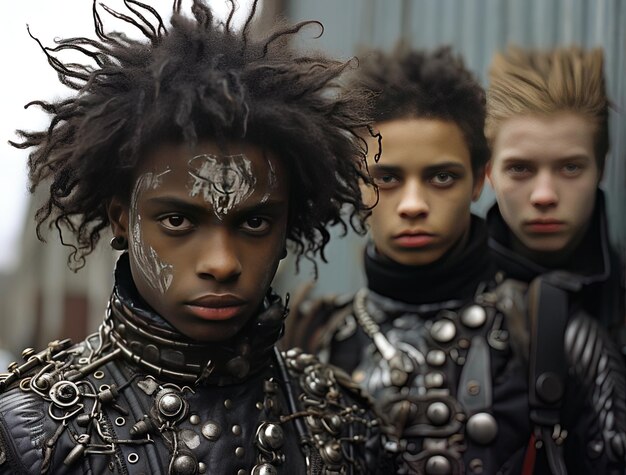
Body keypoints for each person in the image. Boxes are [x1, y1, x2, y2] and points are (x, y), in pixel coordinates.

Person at [0, 1, 389, 473]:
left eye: (254, 223)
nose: (222, 263)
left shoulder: (344, 423)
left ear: (289, 223)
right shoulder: (35, 434)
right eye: (179, 222)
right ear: (123, 219)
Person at [283, 45, 626, 474]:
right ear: (356, 183)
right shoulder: (313, 338)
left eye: (441, 177)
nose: (412, 205)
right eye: (387, 177)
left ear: (481, 179)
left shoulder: (554, 334)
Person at [485, 46, 625, 336]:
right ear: (488, 172)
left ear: (601, 168)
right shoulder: (441, 299)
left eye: (570, 168)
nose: (544, 196)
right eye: (520, 169)